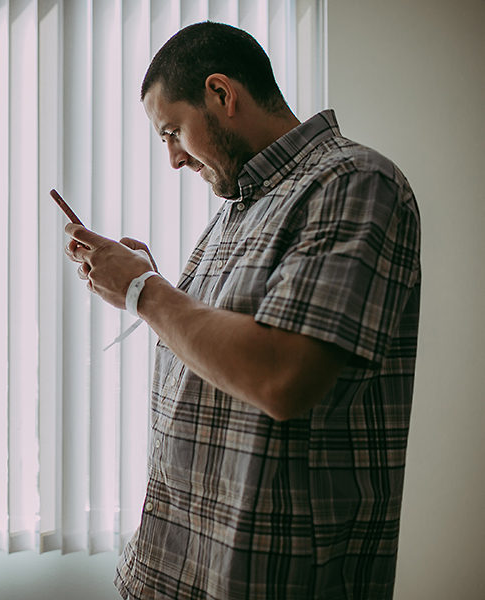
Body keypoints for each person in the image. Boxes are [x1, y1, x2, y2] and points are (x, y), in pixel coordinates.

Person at [64, 22, 420, 600]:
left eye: (173, 132)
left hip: (265, 577)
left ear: (221, 94)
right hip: (174, 567)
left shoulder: (353, 182)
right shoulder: (241, 206)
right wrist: (147, 283)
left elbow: (281, 376)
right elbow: (216, 360)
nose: (173, 159)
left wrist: (144, 292)